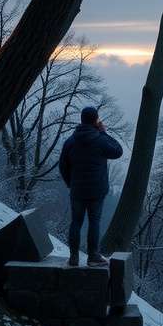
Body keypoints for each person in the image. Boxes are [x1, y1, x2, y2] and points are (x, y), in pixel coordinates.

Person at [59, 106, 122, 267]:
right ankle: (93, 257)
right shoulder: (100, 139)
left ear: (81, 119)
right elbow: (118, 151)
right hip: (96, 191)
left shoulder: (70, 141)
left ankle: (73, 258)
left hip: (77, 190)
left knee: (76, 222)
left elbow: (63, 166)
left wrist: (70, 183)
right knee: (94, 222)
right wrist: (103, 132)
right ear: (95, 120)